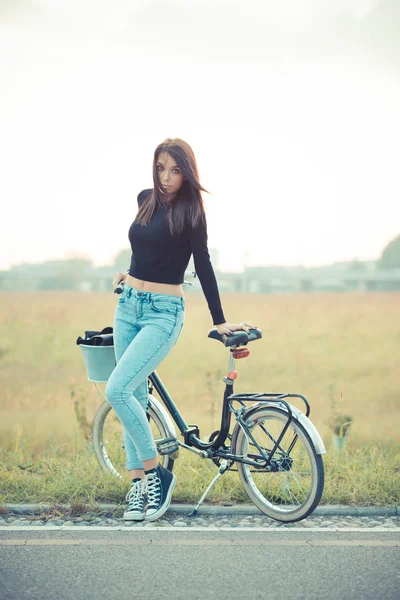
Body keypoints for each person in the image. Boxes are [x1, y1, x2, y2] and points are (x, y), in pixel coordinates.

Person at [105, 138, 255, 522]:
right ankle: (138, 485)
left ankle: (157, 474)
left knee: (117, 390)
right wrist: (130, 271)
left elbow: (202, 265)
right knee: (133, 397)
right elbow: (146, 248)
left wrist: (218, 319)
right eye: (160, 168)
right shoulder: (145, 199)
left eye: (174, 170)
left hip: (163, 313)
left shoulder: (192, 213)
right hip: (128, 305)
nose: (166, 177)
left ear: (186, 172)